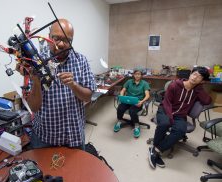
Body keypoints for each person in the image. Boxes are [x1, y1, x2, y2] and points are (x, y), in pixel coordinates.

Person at [16, 19, 96, 150]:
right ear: (48, 37)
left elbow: (88, 97)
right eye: (56, 38)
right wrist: (35, 79)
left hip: (74, 137)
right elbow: (34, 108)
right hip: (45, 138)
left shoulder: (81, 60)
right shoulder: (36, 62)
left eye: (67, 40)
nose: (61, 44)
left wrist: (73, 85)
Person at [148, 66, 211, 169]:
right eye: (194, 74)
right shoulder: (174, 85)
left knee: (181, 130)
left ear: (202, 80)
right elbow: (167, 103)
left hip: (180, 115)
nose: (195, 78)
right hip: (165, 110)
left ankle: (156, 150)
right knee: (165, 123)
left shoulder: (197, 90)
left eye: (199, 77)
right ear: (190, 74)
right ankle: (155, 147)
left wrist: (199, 88)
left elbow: (207, 101)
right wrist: (170, 118)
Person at [113, 68, 150, 138]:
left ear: (141, 75)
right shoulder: (129, 81)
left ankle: (136, 126)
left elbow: (147, 95)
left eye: (139, 74)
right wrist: (121, 95)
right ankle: (119, 121)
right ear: (133, 75)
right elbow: (123, 90)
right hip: (128, 100)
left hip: (137, 102)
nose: (137, 76)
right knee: (120, 108)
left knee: (132, 111)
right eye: (136, 74)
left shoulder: (144, 84)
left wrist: (141, 102)